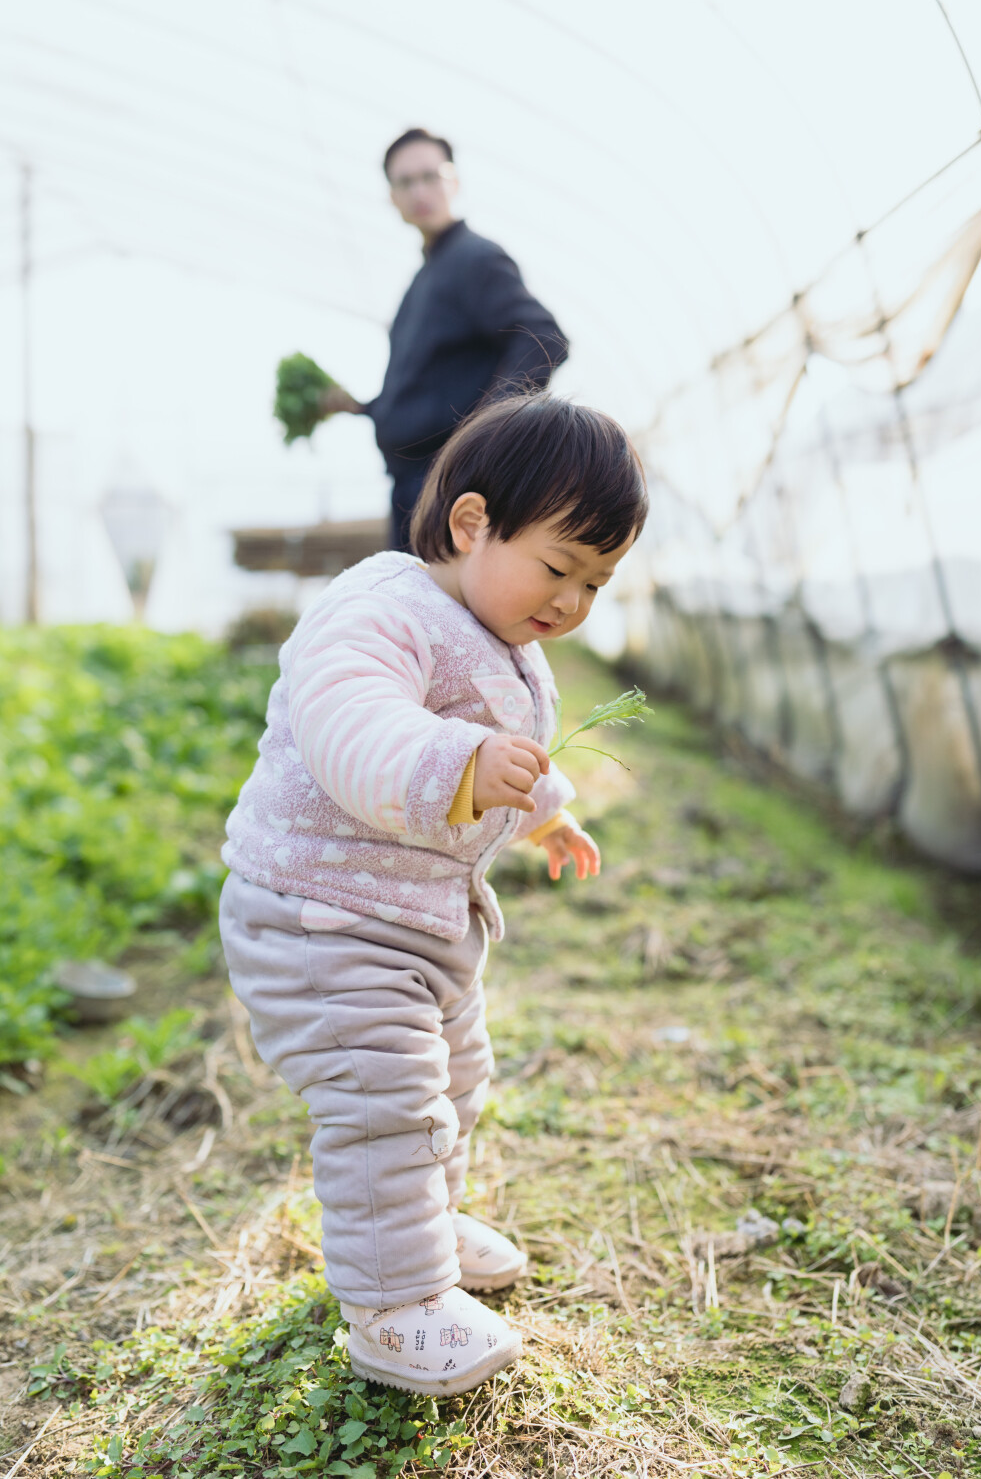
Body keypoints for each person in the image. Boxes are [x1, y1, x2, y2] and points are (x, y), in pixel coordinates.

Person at [219, 393, 647, 1396]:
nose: (573, 601)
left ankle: (418, 1225)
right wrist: (459, 759)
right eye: (558, 566)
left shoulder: (500, 638)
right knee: (387, 1100)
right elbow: (354, 725)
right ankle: (393, 1306)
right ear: (470, 523)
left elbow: (509, 745)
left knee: (454, 1078)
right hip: (320, 915)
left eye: (597, 582)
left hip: (413, 919)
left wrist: (545, 814)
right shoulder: (381, 609)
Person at [320, 128, 569, 551]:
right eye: (404, 182)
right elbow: (432, 389)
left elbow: (544, 339)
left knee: (432, 616)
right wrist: (364, 407)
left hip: (444, 486)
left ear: (453, 182)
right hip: (413, 487)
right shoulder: (426, 276)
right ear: (392, 197)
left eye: (430, 176)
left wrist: (484, 439)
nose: (419, 190)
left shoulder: (474, 258)